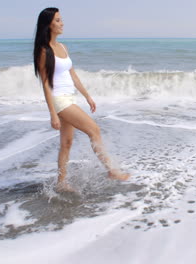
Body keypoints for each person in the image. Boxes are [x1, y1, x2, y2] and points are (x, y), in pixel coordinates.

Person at [33, 7, 130, 192]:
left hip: (70, 97)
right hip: (59, 100)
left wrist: (87, 96)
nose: (62, 23)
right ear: (48, 25)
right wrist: (52, 113)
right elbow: (45, 83)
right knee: (94, 130)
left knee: (66, 143)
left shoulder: (62, 47)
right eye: (58, 20)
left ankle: (61, 183)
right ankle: (112, 170)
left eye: (61, 19)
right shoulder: (44, 51)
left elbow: (73, 75)